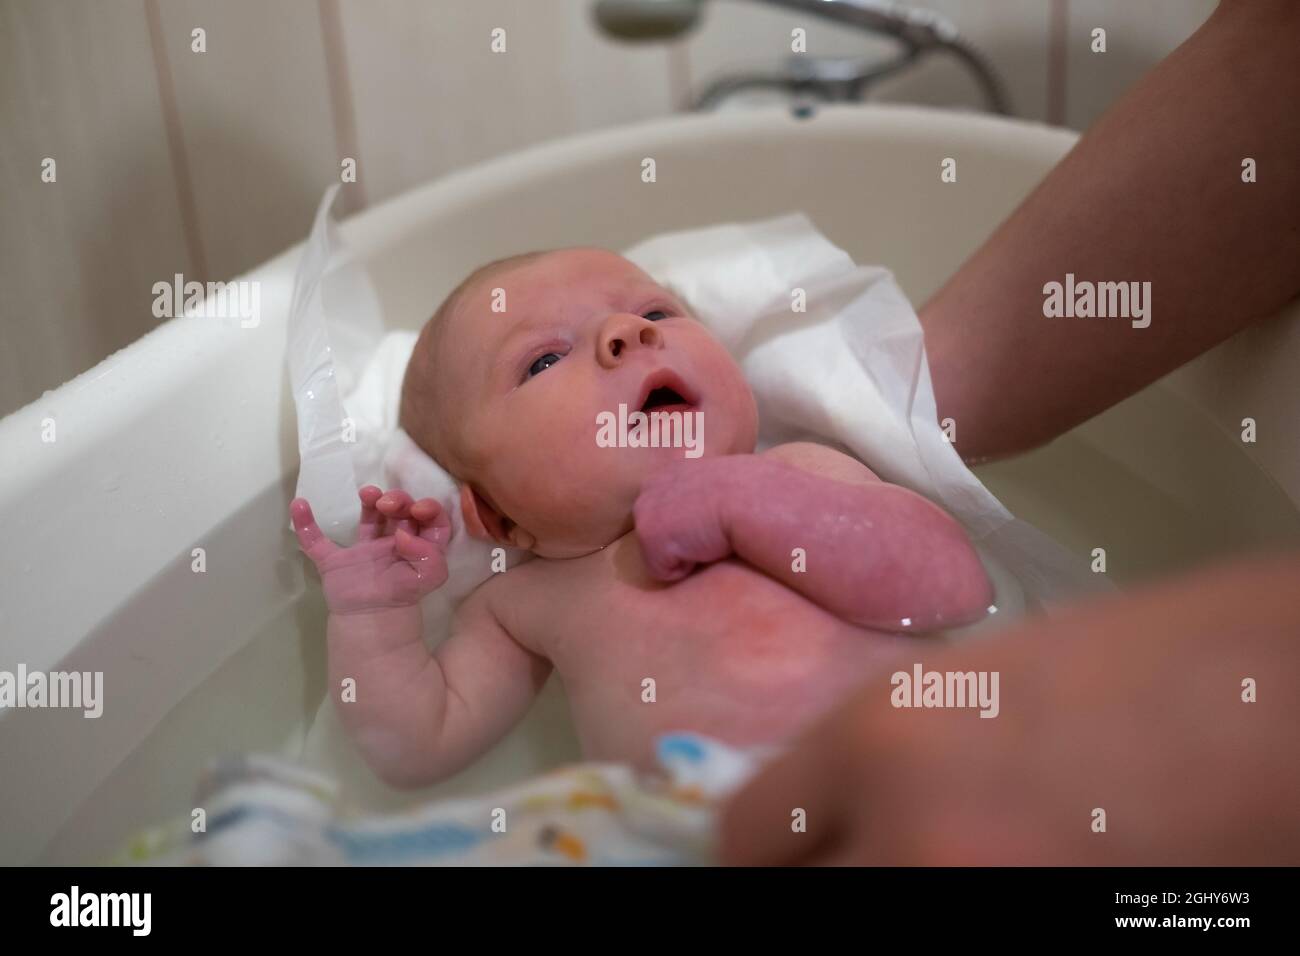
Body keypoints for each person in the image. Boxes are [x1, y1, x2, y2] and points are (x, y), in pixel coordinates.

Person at [719, 0, 1300, 865]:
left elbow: (951, 587)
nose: (624, 338)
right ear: (494, 511)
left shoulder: (789, 475)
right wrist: (888, 408)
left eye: (651, 311)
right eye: (538, 363)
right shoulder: (524, 591)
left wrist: (1244, 695)